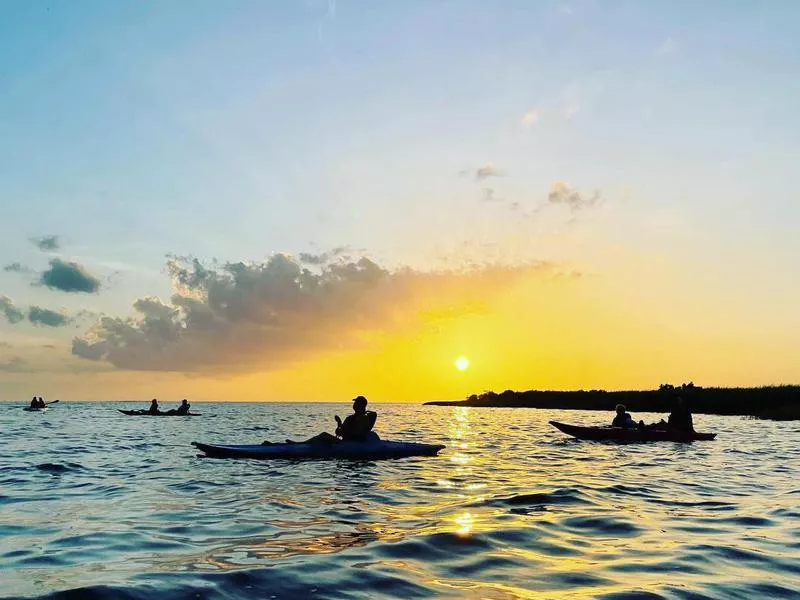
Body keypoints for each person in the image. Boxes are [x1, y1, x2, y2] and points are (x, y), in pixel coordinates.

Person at [271, 396, 378, 445]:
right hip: (346, 442)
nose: (353, 405)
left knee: (323, 435)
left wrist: (363, 413)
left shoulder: (367, 417)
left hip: (354, 443)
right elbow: (339, 432)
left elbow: (372, 415)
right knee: (323, 437)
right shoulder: (350, 418)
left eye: (356, 403)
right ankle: (301, 444)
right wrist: (339, 423)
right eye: (354, 403)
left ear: (361, 405)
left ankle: (300, 444)